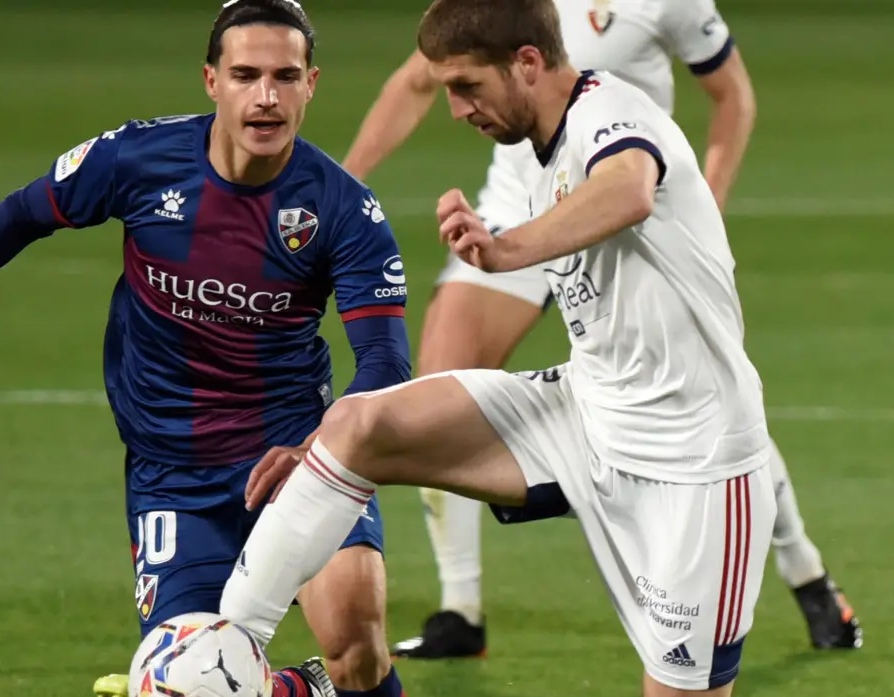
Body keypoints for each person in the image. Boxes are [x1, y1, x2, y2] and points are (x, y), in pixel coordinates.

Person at [217, 1, 784, 697]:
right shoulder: (541, 149)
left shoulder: (610, 112)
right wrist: (322, 464)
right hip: (585, 415)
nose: (457, 109)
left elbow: (629, 189)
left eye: (467, 86)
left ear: (527, 63)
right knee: (355, 427)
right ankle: (224, 647)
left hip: (695, 465)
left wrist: (504, 248)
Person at [0, 2, 414, 697]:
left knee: (355, 638)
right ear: (211, 81)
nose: (266, 97)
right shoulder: (139, 158)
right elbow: (27, 211)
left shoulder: (343, 210)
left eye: (285, 76)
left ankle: (321, 688)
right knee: (189, 693)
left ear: (312, 84)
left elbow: (385, 364)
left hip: (294, 459)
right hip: (172, 471)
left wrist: (317, 451)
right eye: (246, 75)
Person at [341, 0, 860, 659]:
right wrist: (343, 186)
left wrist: (704, 200)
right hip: (517, 213)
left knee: (693, 393)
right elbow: (419, 79)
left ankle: (802, 566)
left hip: (621, 212)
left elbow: (732, 95)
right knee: (441, 377)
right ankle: (460, 608)